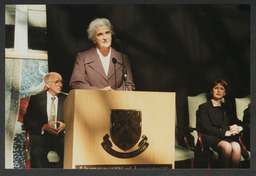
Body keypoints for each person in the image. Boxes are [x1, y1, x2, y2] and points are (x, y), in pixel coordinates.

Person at [69, 18, 135, 91]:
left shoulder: (123, 58)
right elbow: (76, 84)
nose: (105, 38)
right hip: (91, 101)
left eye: (107, 33)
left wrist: (115, 93)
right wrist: (99, 92)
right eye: (100, 34)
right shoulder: (83, 57)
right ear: (93, 39)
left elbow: (129, 85)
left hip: (116, 101)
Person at [196, 79, 245, 168]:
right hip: (209, 136)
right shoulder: (203, 107)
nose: (219, 91)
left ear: (224, 93)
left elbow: (238, 121)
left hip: (225, 137)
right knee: (226, 146)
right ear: (211, 91)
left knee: (236, 146)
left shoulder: (228, 107)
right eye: (216, 88)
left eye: (222, 88)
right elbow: (205, 126)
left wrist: (239, 127)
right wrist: (224, 133)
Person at [23, 72, 67, 168]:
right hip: (42, 137)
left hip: (61, 137)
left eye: (61, 82)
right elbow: (27, 120)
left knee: (70, 152)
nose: (60, 85)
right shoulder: (36, 99)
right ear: (47, 84)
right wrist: (43, 127)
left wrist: (66, 126)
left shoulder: (67, 99)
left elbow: (74, 119)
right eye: (57, 82)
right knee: (36, 153)